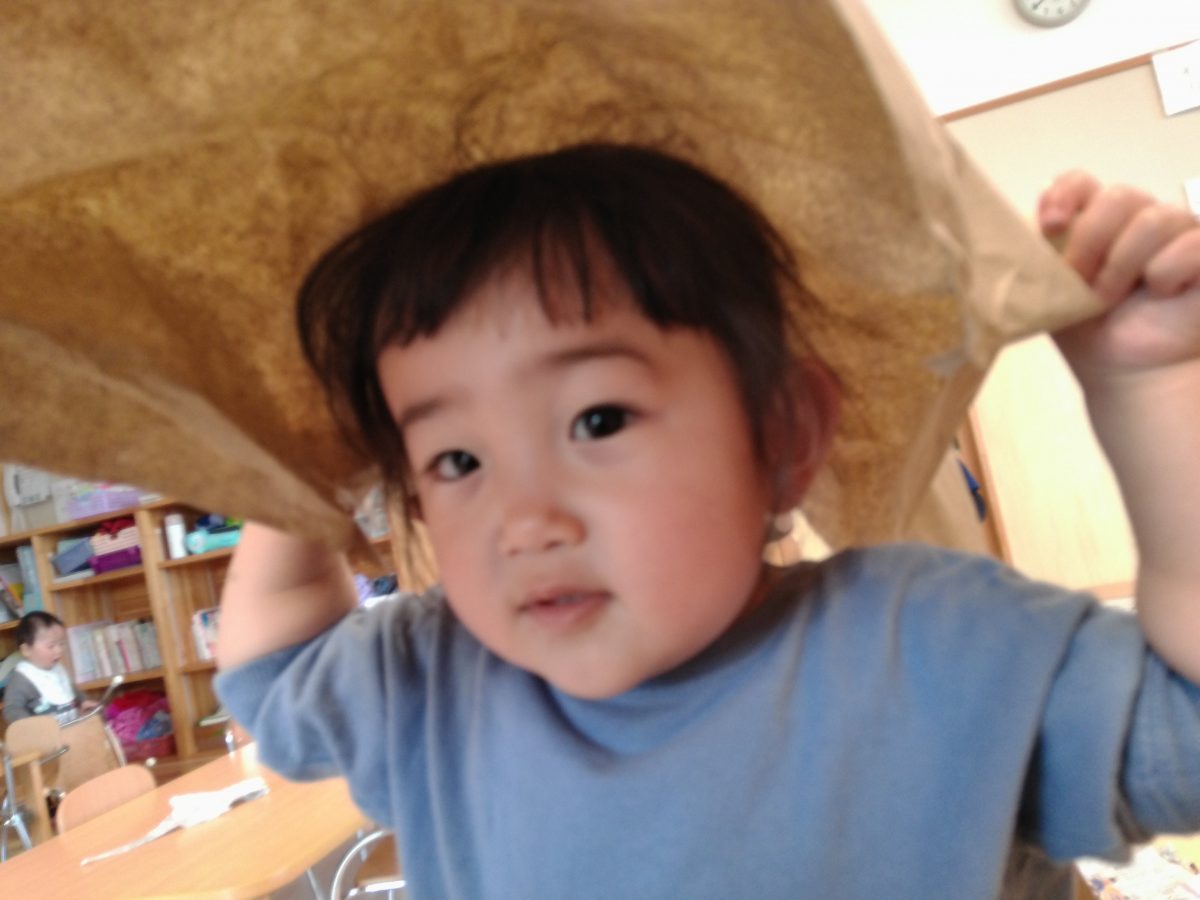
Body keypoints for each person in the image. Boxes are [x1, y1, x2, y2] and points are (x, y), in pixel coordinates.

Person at [213, 144, 1200, 898]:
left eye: (598, 420)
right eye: (456, 460)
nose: (524, 521)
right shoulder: (434, 682)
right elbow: (272, 673)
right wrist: (299, 469)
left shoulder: (928, 647)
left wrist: (1153, 388)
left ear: (782, 434)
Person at [4, 611, 98, 723]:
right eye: (51, 646)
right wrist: (30, 724)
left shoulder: (58, 670)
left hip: (72, 728)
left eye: (61, 644)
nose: (59, 650)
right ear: (26, 650)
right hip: (43, 733)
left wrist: (83, 701)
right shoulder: (22, 679)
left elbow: (72, 690)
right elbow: (12, 709)